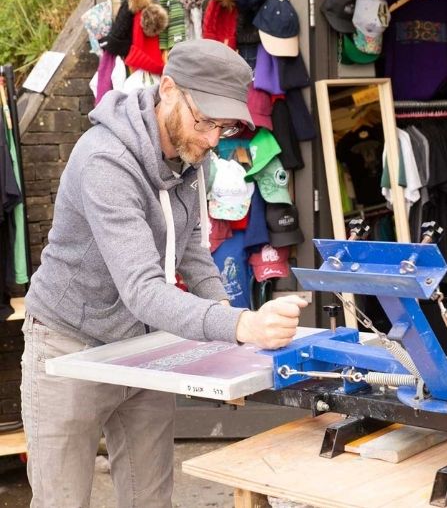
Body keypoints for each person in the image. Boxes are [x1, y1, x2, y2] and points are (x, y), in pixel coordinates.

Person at [20, 39, 308, 508]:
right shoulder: (105, 160)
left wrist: (224, 316)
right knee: (61, 501)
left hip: (143, 345)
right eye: (205, 122)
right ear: (169, 89)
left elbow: (192, 249)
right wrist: (241, 325)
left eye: (225, 125)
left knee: (150, 499)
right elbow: (142, 288)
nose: (215, 139)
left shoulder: (191, 157)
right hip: (69, 343)